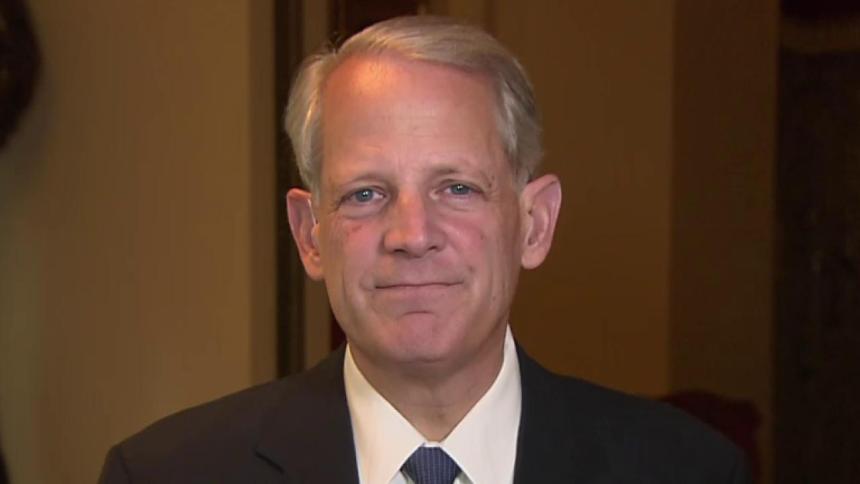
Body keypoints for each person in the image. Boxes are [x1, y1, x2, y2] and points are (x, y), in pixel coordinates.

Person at [99, 15, 749, 484]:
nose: (411, 235)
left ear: (534, 223)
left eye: (457, 188)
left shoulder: (687, 470)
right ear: (309, 233)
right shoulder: (165, 473)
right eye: (365, 194)